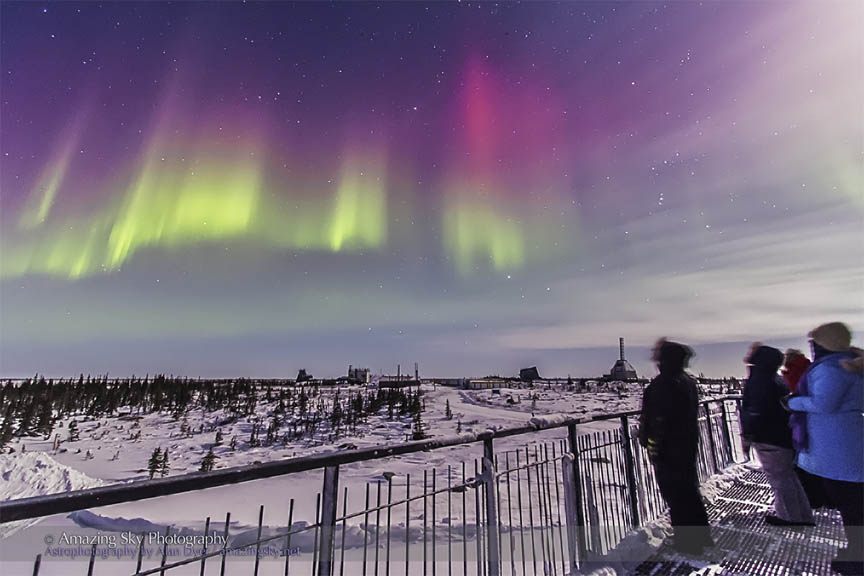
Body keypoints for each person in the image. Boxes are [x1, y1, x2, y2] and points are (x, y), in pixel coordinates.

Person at [787, 322, 863, 576]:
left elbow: (825, 403)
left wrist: (793, 402)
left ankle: (858, 559)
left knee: (852, 506)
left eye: (815, 343)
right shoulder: (846, 364)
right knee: (852, 504)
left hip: (840, 447)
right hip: (844, 443)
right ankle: (856, 552)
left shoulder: (832, 368)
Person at [639, 338, 714, 555]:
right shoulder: (687, 382)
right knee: (689, 491)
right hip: (686, 445)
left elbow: (658, 421)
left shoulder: (663, 384)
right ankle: (701, 535)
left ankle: (688, 544)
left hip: (669, 450)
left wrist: (653, 447)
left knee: (676, 496)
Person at [741, 344, 813, 526]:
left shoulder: (759, 380)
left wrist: (748, 435)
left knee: (779, 479)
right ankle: (802, 514)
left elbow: (755, 411)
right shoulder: (776, 379)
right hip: (781, 435)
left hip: (768, 438)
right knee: (788, 477)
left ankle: (789, 517)